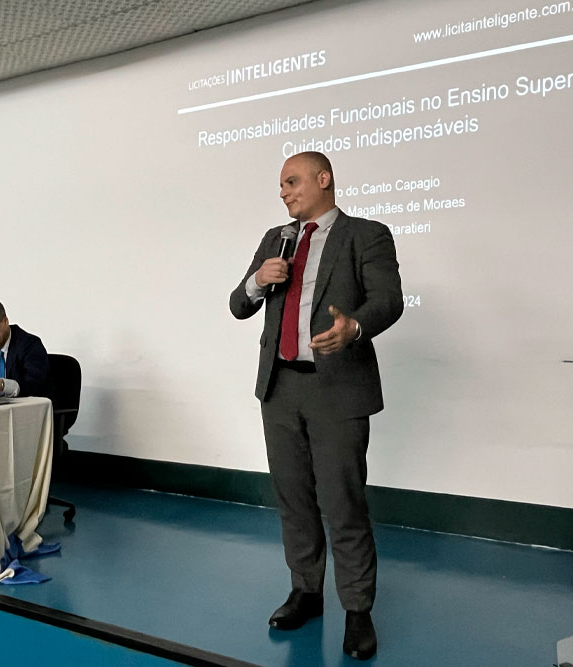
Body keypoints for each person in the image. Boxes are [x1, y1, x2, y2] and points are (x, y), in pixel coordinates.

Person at [228, 152, 403, 660]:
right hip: (280, 387)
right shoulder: (275, 239)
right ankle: (306, 591)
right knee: (294, 498)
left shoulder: (365, 235)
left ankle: (357, 611)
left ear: (323, 180)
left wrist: (354, 326)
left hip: (337, 388)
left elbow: (388, 298)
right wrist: (259, 280)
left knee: (343, 503)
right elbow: (239, 305)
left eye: (291, 181)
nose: (283, 192)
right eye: (280, 185)